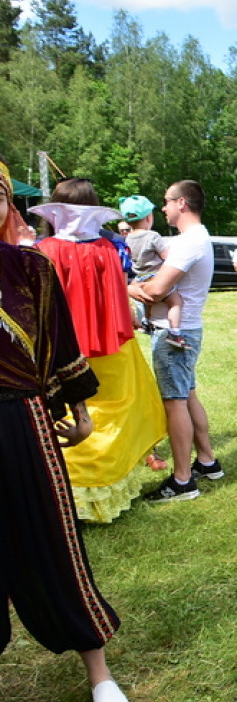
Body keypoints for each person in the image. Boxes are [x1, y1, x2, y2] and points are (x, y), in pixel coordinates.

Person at [0, 161, 131, 702]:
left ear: (6, 204)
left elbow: (58, 341)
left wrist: (76, 408)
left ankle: (99, 672)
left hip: (25, 420)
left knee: (54, 541)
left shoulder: (30, 267)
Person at [29, 178, 167, 523]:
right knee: (113, 417)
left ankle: (69, 499)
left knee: (68, 415)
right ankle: (102, 496)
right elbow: (121, 296)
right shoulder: (110, 248)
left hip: (61, 354)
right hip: (112, 350)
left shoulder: (43, 250)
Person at [127, 180, 223, 502]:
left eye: (166, 202)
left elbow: (155, 290)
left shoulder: (188, 242)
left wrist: (125, 287)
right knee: (188, 394)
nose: (163, 207)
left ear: (182, 203)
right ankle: (208, 462)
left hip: (172, 335)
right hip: (184, 331)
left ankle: (183, 480)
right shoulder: (196, 238)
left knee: (175, 402)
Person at [118, 194, 189, 349]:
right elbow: (167, 258)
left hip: (140, 279)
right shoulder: (152, 236)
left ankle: (146, 322)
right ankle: (175, 333)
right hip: (155, 277)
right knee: (175, 302)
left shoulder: (127, 239)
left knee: (147, 303)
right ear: (148, 217)